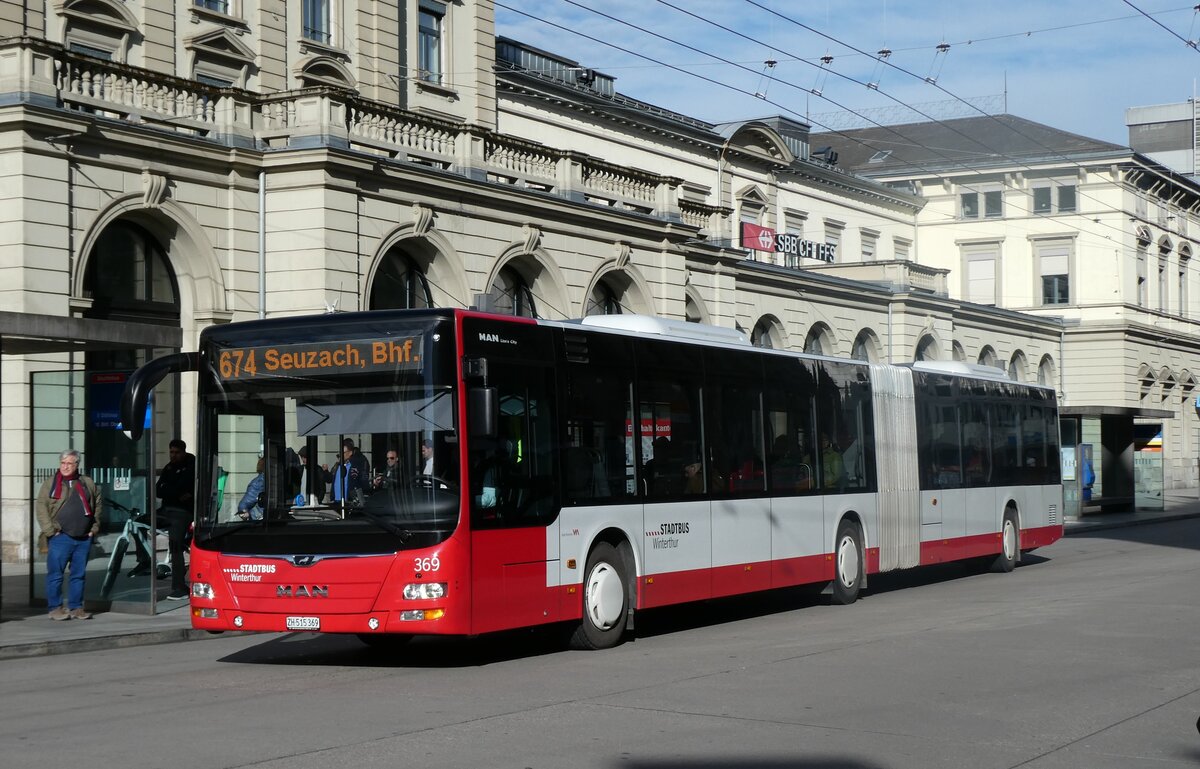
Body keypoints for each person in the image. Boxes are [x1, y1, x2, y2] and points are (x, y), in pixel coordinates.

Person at [36, 449, 103, 620]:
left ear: (76, 465)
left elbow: (97, 504)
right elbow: (41, 507)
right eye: (63, 463)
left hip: (83, 538)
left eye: (69, 463)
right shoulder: (51, 483)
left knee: (78, 575)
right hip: (60, 537)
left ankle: (76, 607)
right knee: (56, 575)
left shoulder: (86, 482)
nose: (65, 466)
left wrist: (93, 529)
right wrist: (50, 531)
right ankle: (55, 608)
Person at [155, 438, 195, 600]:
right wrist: (176, 492)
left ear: (184, 452)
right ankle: (143, 561)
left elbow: (185, 488)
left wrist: (171, 489)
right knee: (137, 522)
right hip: (166, 509)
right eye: (171, 452)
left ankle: (179, 585)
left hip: (182, 512)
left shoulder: (191, 467)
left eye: (177, 452)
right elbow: (159, 490)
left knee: (175, 545)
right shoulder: (169, 467)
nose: (173, 455)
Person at [330, 438, 370, 504]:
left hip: (349, 502)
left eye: (343, 452)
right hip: (336, 502)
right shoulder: (338, 465)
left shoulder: (356, 465)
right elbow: (331, 479)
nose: (341, 455)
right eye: (340, 452)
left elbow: (363, 482)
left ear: (350, 452)